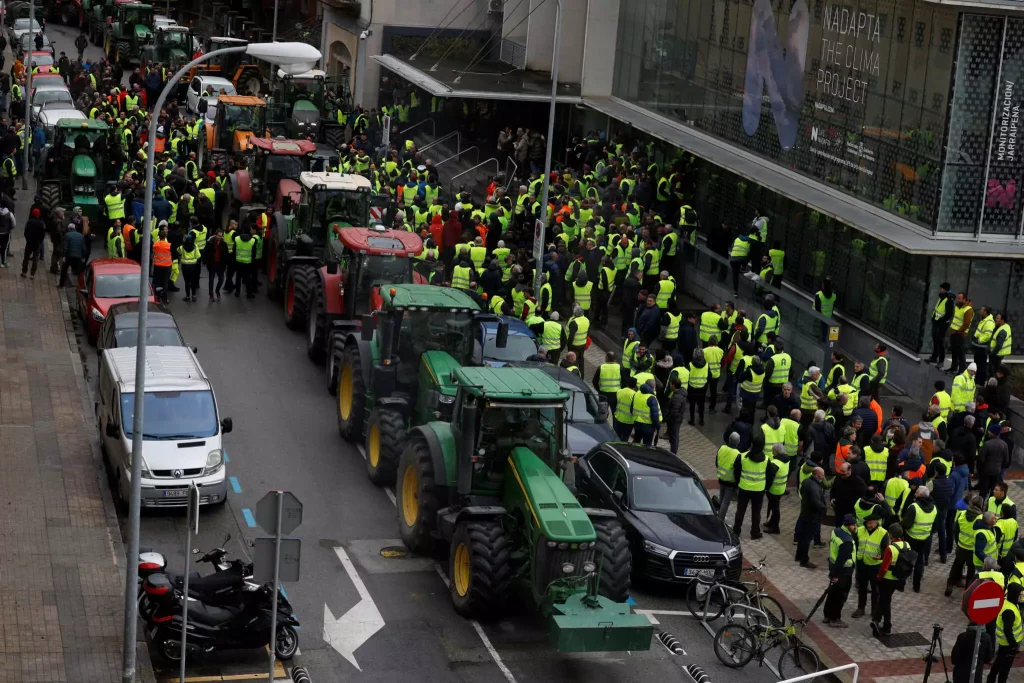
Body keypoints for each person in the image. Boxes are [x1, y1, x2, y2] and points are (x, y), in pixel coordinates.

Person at [872, 523, 907, 637]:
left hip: (887, 579)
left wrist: (878, 576)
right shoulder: (906, 545)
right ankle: (877, 621)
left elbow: (884, 567)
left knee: (884, 601)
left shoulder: (890, 548)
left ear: (890, 535)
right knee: (885, 599)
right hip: (898, 579)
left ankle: (885, 625)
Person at [947, 494, 985, 596]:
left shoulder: (962, 514)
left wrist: (959, 541)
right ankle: (967, 591)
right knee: (971, 571)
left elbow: (956, 530)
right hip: (972, 550)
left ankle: (949, 585)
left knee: (956, 567)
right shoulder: (981, 519)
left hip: (961, 547)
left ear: (971, 503)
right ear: (981, 506)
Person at [823, 514, 858, 628]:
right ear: (847, 525)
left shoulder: (836, 531)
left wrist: (832, 573)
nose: (855, 527)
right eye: (853, 525)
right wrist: (836, 575)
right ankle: (835, 618)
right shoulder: (847, 541)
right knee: (840, 596)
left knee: (832, 593)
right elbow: (841, 560)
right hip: (843, 572)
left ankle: (827, 615)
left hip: (833, 567)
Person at [852, 512, 888, 619]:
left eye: (871, 522)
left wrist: (881, 556)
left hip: (875, 566)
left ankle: (874, 610)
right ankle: (861, 608)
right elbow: (855, 543)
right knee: (862, 587)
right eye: (868, 522)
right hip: (862, 564)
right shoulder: (860, 530)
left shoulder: (883, 533)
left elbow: (886, 550)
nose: (869, 525)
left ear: (877, 522)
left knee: (875, 589)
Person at [901, 486, 936, 592]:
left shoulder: (914, 507)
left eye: (916, 493)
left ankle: (901, 584)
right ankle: (917, 586)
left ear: (920, 496)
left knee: (906, 560)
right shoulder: (934, 508)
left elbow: (906, 524)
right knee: (919, 562)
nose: (914, 494)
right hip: (924, 539)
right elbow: (935, 526)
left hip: (910, 537)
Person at [732, 435, 768, 540]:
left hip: (744, 488)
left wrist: (739, 482)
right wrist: (766, 486)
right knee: (756, 512)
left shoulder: (742, 457)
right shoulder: (766, 459)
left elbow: (736, 471)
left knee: (740, 510)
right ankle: (755, 532)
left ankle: (736, 530)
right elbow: (769, 475)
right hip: (759, 490)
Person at [989, 583, 1023, 683]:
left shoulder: (1009, 603)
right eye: (1020, 594)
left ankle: (990, 680)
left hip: (1005, 644)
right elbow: (1007, 630)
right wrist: (1013, 644)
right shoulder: (1009, 611)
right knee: (1004, 671)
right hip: (1007, 645)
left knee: (997, 666)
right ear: (1015, 595)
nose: (1021, 596)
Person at [796, 466, 827, 569]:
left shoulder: (806, 482)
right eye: (822, 475)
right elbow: (816, 502)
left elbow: (801, 492)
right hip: (812, 516)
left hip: (805, 513)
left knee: (802, 536)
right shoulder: (814, 486)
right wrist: (823, 509)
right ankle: (804, 560)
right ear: (817, 475)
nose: (823, 477)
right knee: (807, 538)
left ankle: (799, 556)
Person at [763, 444, 790, 534]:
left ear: (776, 452)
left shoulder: (775, 463)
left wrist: (766, 488)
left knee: (775, 508)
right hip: (781, 488)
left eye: (773, 450)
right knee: (774, 506)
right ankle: (771, 522)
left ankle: (775, 528)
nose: (771, 452)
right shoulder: (786, 460)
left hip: (774, 489)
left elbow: (770, 478)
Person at [929, 281, 955, 370]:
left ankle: (941, 361)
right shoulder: (941, 297)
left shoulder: (948, 300)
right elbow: (938, 309)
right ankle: (934, 357)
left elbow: (949, 314)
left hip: (942, 325)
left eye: (941, 288)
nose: (940, 290)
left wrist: (942, 321)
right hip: (936, 322)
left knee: (940, 342)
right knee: (935, 340)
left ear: (945, 290)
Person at [716, 433, 742, 521]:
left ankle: (718, 515)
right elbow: (737, 472)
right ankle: (720, 519)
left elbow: (717, 462)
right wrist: (738, 483)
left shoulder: (721, 448)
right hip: (731, 482)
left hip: (721, 478)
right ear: (738, 442)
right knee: (726, 502)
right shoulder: (737, 454)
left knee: (721, 498)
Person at [631, 380, 660, 446]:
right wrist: (658, 426)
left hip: (637, 424)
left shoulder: (637, 393)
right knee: (647, 446)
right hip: (648, 427)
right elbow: (654, 416)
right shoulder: (652, 398)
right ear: (651, 388)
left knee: (636, 442)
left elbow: (631, 409)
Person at [663, 375, 686, 455]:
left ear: (673, 385)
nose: (670, 385)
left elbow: (674, 412)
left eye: (670, 384)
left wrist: (667, 418)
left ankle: (673, 454)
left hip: (674, 421)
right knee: (673, 437)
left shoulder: (677, 397)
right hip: (676, 420)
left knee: (674, 438)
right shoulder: (678, 394)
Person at [21, 207, 45, 279]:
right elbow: (43, 234)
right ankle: (32, 274)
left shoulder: (29, 222)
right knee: (35, 258)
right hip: (37, 244)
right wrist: (40, 241)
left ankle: (24, 272)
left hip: (29, 243)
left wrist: (28, 239)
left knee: (26, 257)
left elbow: (25, 232)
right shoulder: (41, 223)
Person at [59, 223, 85, 287]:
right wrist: (83, 256)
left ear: (69, 229)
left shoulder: (67, 235)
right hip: (78, 256)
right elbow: (83, 247)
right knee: (78, 271)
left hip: (69, 256)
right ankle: (79, 285)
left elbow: (65, 247)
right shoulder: (81, 236)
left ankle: (61, 285)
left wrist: (64, 256)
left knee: (64, 271)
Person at [177, 232, 201, 302]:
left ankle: (187, 296)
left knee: (187, 282)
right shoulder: (195, 246)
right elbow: (198, 256)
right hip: (193, 266)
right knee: (193, 282)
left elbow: (178, 251)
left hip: (185, 267)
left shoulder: (182, 247)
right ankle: (193, 296)